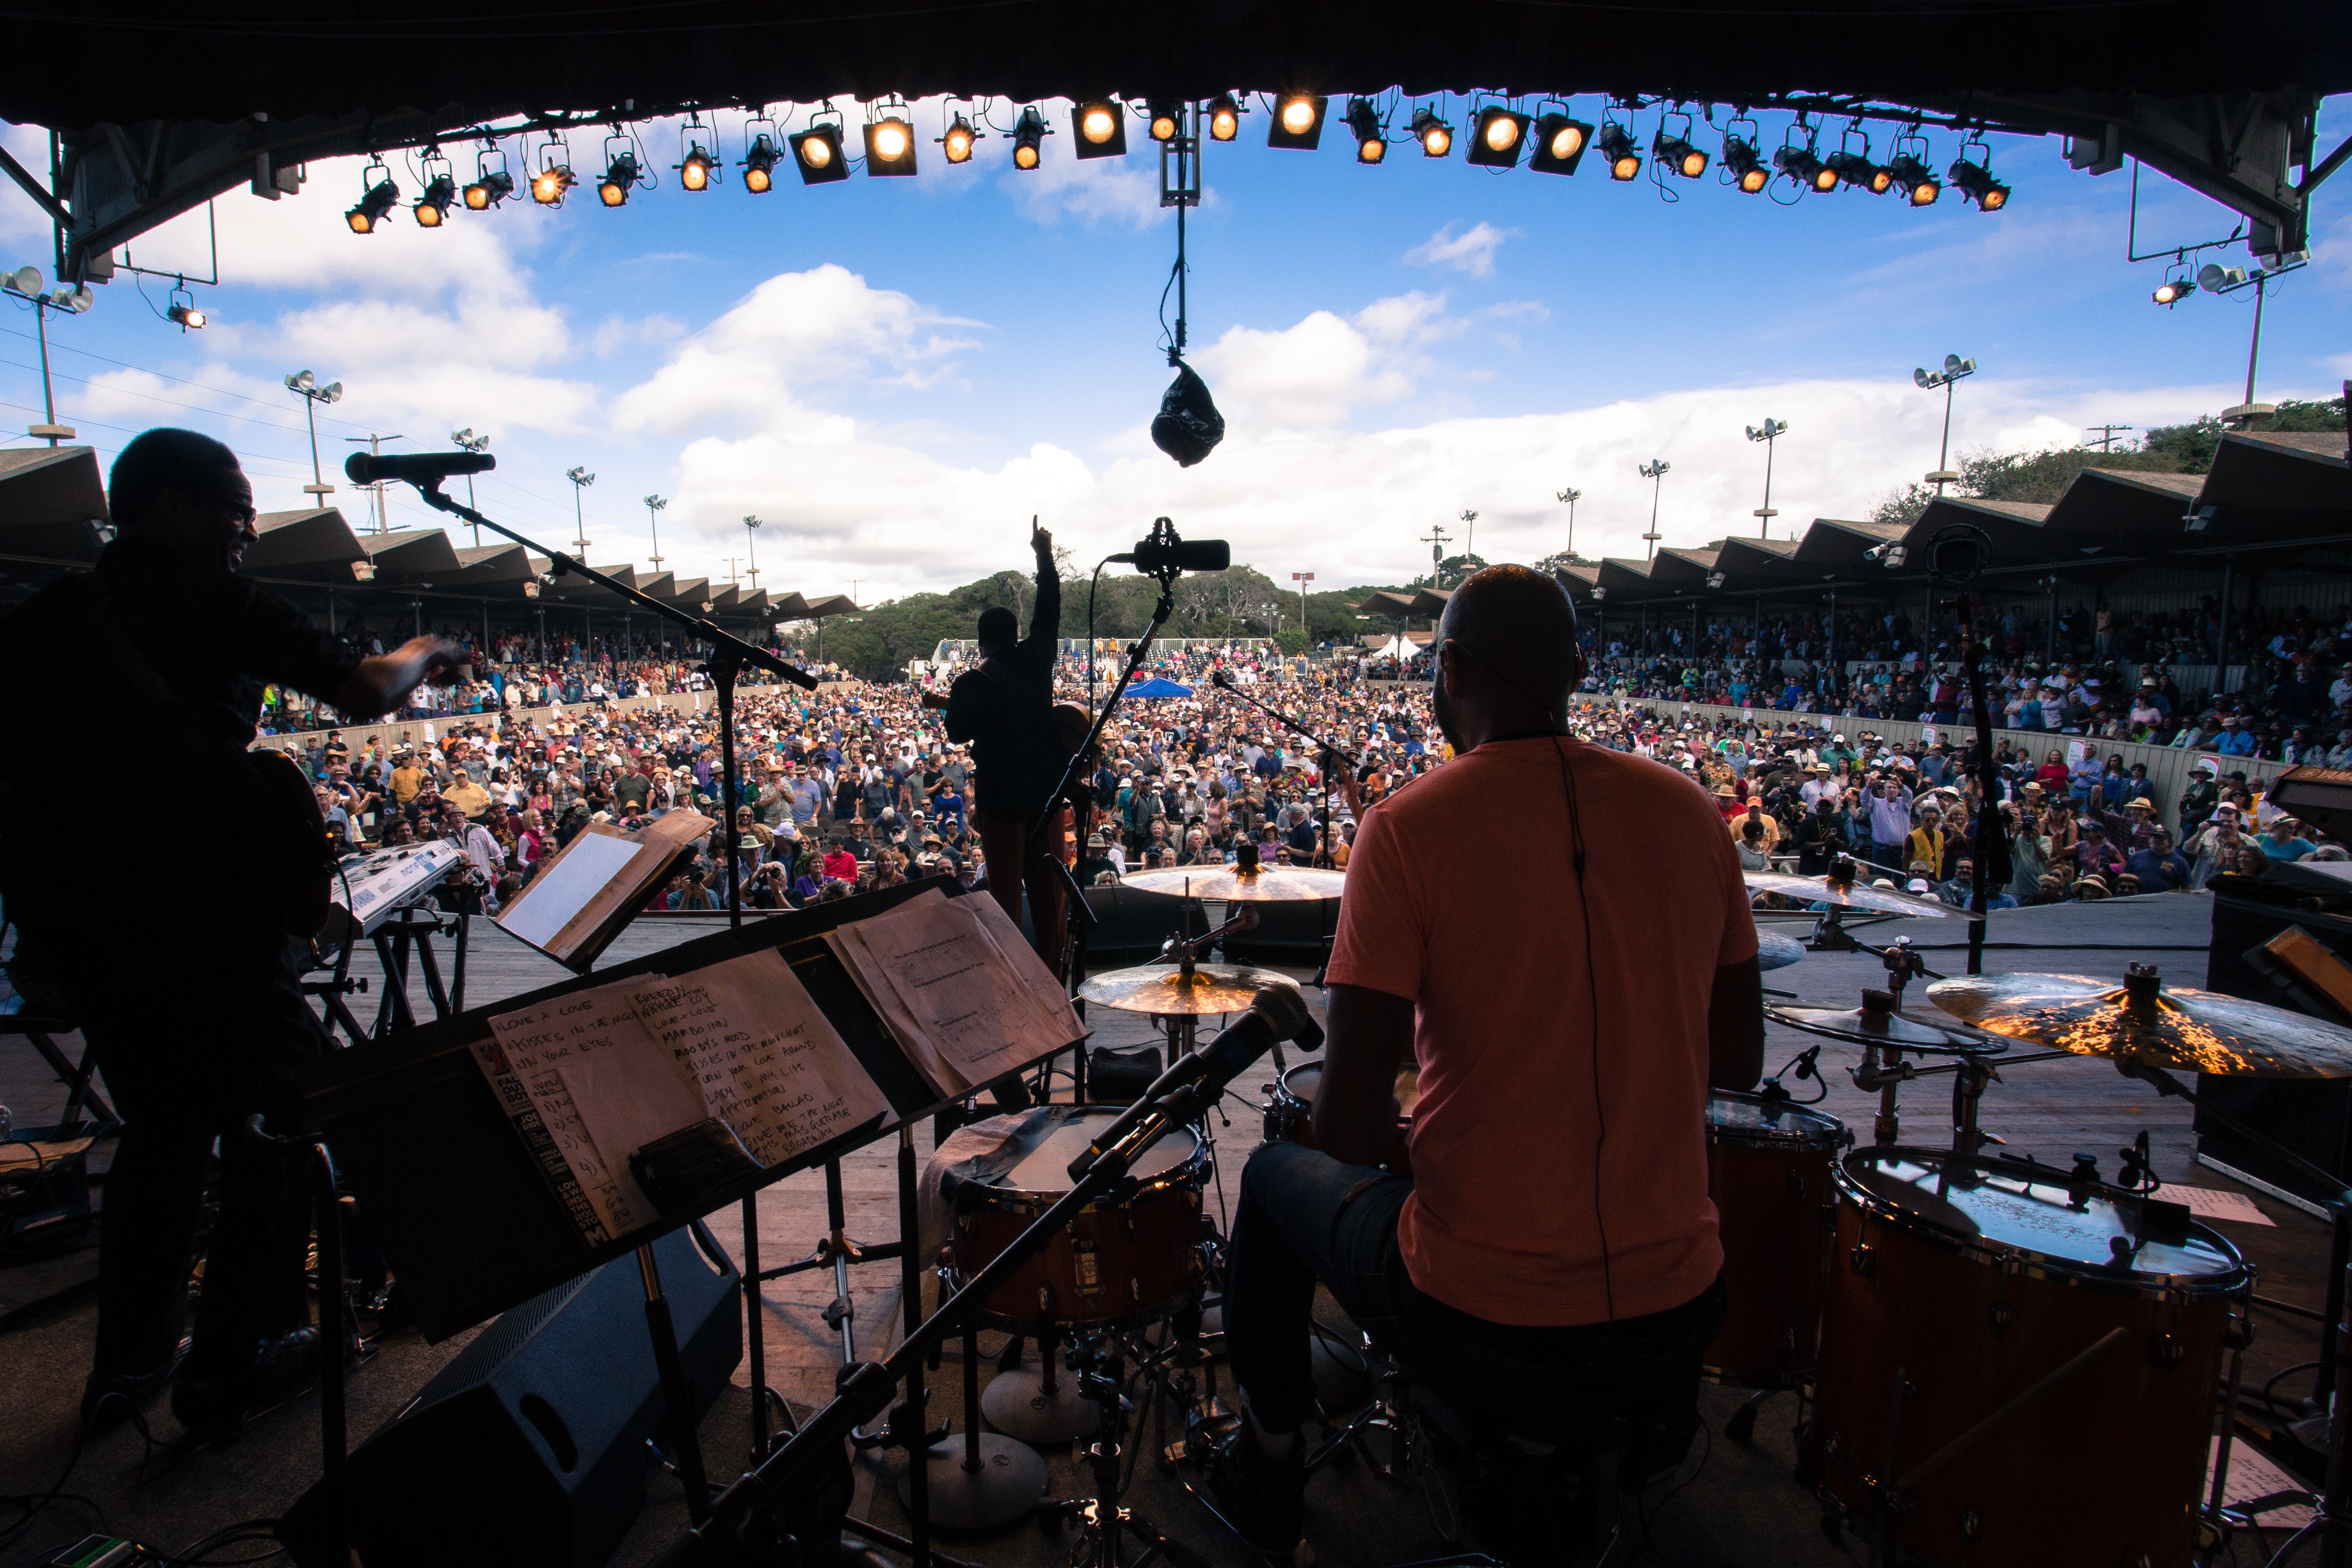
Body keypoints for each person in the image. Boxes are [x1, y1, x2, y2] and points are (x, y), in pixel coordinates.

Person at [1212, 566, 1762, 1561]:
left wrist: (1434, 1145)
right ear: (1576, 672)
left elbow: (1343, 1130)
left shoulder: (1408, 826)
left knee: (1271, 1172)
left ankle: (1267, 1454)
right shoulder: (1689, 812)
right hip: (1680, 1297)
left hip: (1484, 1307)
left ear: (1450, 668)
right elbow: (1736, 1058)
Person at [0, 429, 462, 1435]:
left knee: (163, 1127)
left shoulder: (42, 620)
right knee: (288, 1105)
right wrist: (429, 646)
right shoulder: (213, 599)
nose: (246, 533)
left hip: (89, 923)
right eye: (232, 509)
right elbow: (363, 689)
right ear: (166, 507)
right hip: (197, 907)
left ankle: (128, 1362)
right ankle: (239, 1350)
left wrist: (37, 926)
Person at [943, 522, 1068, 972]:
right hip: (1046, 795)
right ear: (1015, 633)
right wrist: (1044, 556)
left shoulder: (970, 683)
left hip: (1000, 800)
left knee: (1004, 900)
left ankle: (1010, 978)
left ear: (980, 642)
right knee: (1050, 898)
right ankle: (1054, 978)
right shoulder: (1037, 658)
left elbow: (957, 733)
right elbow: (1049, 609)